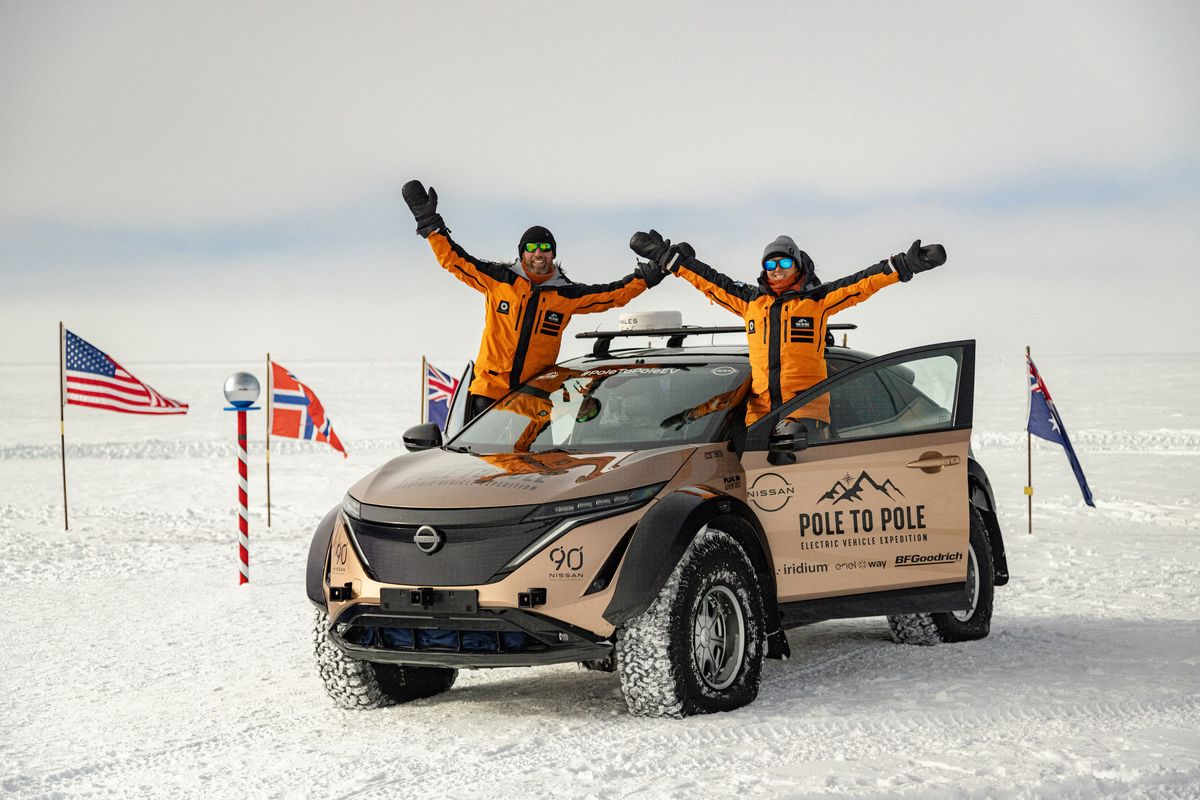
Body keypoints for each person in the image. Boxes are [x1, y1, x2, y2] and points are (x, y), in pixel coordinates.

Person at [403, 180, 662, 422]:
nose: (538, 252)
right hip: (490, 394)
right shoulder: (498, 279)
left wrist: (647, 277)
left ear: (553, 254)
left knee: (554, 440)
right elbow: (455, 260)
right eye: (531, 248)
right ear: (522, 253)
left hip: (535, 392)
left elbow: (613, 295)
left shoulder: (566, 295)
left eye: (544, 248)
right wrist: (430, 225)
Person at [631, 230, 945, 429]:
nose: (777, 270)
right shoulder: (751, 302)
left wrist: (904, 265)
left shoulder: (816, 301)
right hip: (761, 417)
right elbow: (709, 280)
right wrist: (666, 258)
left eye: (783, 263)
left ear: (797, 265)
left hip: (806, 415)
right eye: (770, 265)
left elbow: (861, 282)